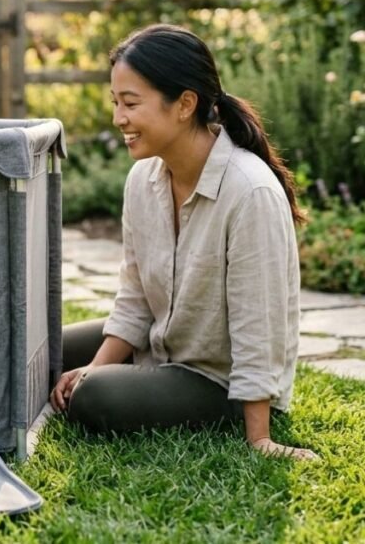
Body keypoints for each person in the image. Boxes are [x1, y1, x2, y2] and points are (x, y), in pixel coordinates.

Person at [50, 24, 317, 460]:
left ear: (185, 104)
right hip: (161, 346)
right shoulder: (143, 180)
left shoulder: (250, 192)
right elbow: (135, 296)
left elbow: (259, 325)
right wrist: (95, 367)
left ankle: (127, 388)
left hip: (219, 383)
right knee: (43, 347)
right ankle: (109, 377)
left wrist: (260, 438)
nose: (119, 119)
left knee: (95, 397)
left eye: (131, 104)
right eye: (116, 103)